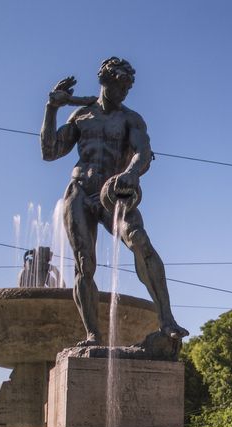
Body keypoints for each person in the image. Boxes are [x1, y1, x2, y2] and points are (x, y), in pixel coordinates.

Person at [40, 57, 188, 348]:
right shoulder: (81, 116)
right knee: (85, 264)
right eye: (119, 86)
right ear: (105, 82)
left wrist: (132, 173)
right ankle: (93, 334)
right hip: (80, 192)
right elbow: (50, 151)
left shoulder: (131, 119)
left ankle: (167, 319)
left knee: (140, 241)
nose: (124, 92)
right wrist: (51, 109)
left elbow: (143, 153)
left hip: (115, 192)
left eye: (127, 88)